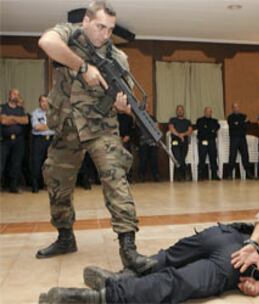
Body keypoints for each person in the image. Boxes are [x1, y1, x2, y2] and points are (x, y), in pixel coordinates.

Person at [35, 0, 156, 274]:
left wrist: (122, 106)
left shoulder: (119, 59)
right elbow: (46, 43)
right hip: (67, 126)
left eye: (110, 29)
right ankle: (65, 237)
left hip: (100, 127)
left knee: (116, 177)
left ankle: (129, 247)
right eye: (100, 26)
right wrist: (82, 67)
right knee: (56, 180)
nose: (105, 34)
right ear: (86, 21)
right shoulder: (68, 35)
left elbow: (118, 98)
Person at [39, 221, 259, 304]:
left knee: (164, 260)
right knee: (178, 281)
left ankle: (119, 279)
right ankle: (100, 296)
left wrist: (252, 243)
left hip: (229, 237)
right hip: (239, 258)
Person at [0, 89, 29, 193]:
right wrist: (17, 119)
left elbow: (25, 120)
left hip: (18, 140)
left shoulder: (21, 109)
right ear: (9, 95)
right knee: (1, 163)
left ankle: (14, 186)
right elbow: (3, 121)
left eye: (17, 94)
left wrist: (10, 118)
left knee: (16, 164)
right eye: (13, 93)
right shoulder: (3, 107)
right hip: (5, 140)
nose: (15, 96)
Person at [31, 95, 55, 193]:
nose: (45, 103)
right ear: (39, 103)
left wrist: (45, 126)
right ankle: (35, 186)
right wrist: (49, 125)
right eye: (42, 101)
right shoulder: (35, 113)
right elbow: (36, 127)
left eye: (46, 101)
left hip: (51, 140)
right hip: (39, 140)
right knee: (37, 163)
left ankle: (48, 185)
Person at [226, 102, 253, 179]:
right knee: (232, 155)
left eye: (237, 107)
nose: (236, 109)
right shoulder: (230, 117)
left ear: (239, 108)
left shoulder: (243, 115)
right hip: (234, 138)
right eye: (234, 107)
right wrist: (243, 122)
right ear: (232, 108)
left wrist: (239, 124)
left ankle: (248, 173)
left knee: (245, 155)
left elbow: (248, 126)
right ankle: (230, 174)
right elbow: (233, 126)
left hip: (242, 138)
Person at [196, 106, 221, 180]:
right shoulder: (200, 120)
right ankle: (201, 174)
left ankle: (214, 174)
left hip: (211, 141)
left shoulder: (215, 121)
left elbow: (216, 128)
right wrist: (210, 130)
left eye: (210, 111)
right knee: (202, 157)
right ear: (204, 112)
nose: (208, 113)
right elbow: (201, 130)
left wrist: (207, 129)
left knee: (213, 156)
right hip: (202, 141)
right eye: (207, 111)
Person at [168, 105, 193, 181]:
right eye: (178, 110)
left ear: (183, 111)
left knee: (182, 157)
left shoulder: (187, 121)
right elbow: (171, 129)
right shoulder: (172, 120)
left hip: (184, 141)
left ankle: (181, 175)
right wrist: (179, 135)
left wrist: (183, 135)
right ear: (176, 111)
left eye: (181, 110)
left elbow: (190, 130)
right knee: (178, 157)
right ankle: (185, 172)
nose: (180, 111)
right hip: (175, 141)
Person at [137, 111, 160, 182]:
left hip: (152, 141)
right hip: (143, 141)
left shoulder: (152, 118)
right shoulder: (139, 117)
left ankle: (156, 175)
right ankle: (141, 175)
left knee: (154, 158)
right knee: (143, 158)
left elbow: (157, 128)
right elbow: (138, 130)